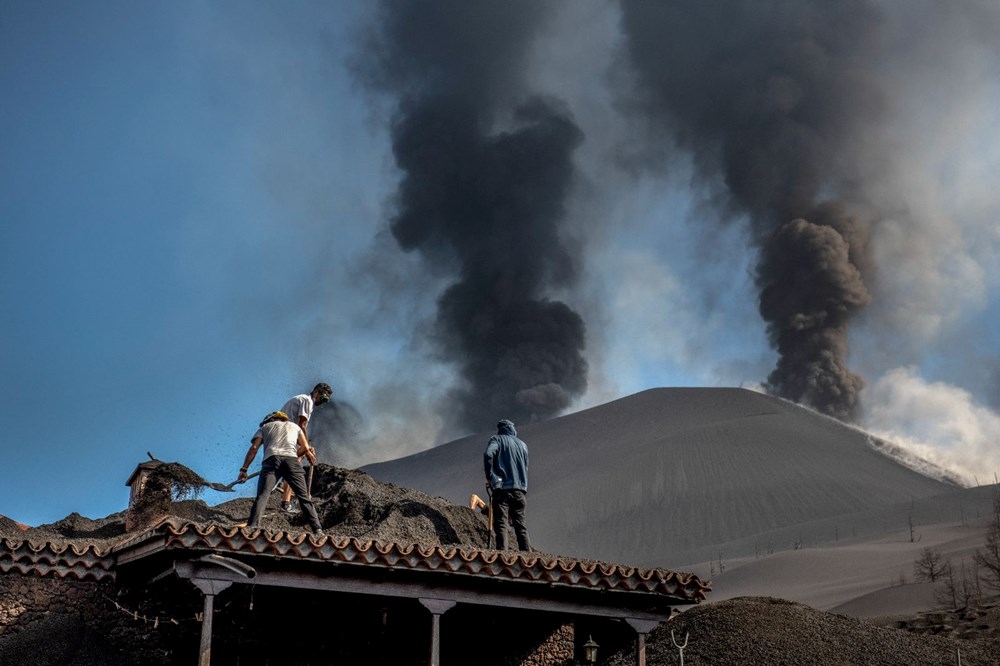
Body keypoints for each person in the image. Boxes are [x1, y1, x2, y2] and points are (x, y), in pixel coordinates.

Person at [238, 410, 323, 535]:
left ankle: (252, 528)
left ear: (270, 420)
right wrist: (293, 456)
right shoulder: (295, 427)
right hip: (291, 461)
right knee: (303, 497)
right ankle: (318, 530)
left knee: (263, 495)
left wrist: (244, 469)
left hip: (271, 461)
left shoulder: (264, 427)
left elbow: (254, 448)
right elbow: (305, 448)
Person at [277, 383, 333, 513]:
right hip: (286, 433)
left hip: (283, 433)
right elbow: (302, 425)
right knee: (294, 466)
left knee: (296, 461)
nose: (322, 403)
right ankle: (285, 503)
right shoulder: (307, 401)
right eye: (323, 398)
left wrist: (306, 447)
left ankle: (285, 500)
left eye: (326, 401)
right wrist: (306, 447)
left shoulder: (303, 400)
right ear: (316, 392)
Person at [483, 419, 531, 551]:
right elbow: (525, 467)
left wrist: (490, 477)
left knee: (501, 524)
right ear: (513, 429)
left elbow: (488, 455)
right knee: (521, 526)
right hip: (520, 491)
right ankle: (528, 558)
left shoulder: (497, 439)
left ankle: (502, 557)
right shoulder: (523, 445)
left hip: (502, 489)